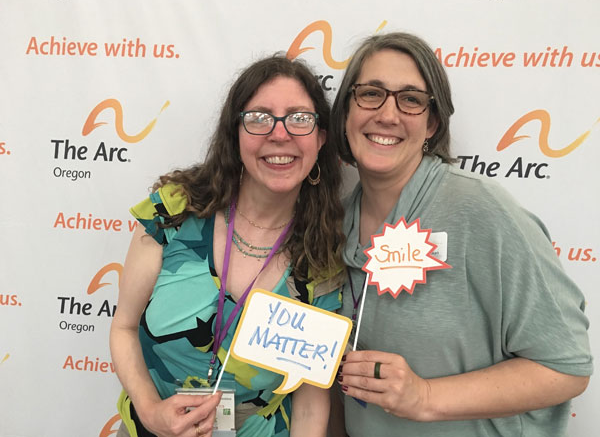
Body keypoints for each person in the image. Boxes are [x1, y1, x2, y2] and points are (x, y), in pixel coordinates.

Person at [328, 32, 592, 437]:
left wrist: (425, 396)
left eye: (411, 99)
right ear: (346, 110)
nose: (387, 114)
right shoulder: (336, 221)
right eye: (370, 94)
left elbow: (566, 367)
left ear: (432, 122)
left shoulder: (481, 209)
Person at [110, 55, 346, 437]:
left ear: (321, 138)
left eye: (299, 118)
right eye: (260, 117)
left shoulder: (323, 261)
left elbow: (309, 401)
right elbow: (123, 327)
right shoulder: (173, 213)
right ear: (235, 134)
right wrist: (152, 412)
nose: (280, 134)